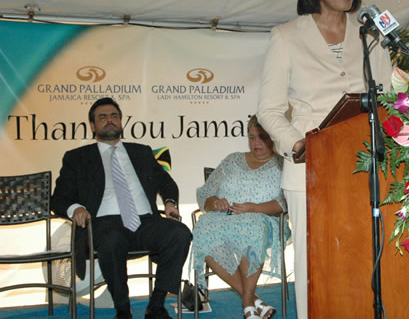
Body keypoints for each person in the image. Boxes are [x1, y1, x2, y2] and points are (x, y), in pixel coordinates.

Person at [257, 0, 393, 318]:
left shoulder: (371, 35)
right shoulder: (286, 36)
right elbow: (268, 110)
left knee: (361, 262)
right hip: (309, 170)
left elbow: (389, 96)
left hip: (365, 167)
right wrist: (296, 143)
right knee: (315, 267)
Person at [51, 97, 192, 319]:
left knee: (180, 234)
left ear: (121, 122)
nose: (110, 120)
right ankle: (123, 309)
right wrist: (76, 208)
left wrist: (170, 203)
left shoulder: (141, 152)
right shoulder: (77, 158)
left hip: (146, 221)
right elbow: (58, 199)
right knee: (111, 240)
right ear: (92, 126)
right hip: (105, 223)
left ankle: (156, 305)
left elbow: (166, 183)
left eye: (114, 116)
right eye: (103, 117)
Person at [192, 115, 289, 319]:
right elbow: (206, 192)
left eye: (262, 137)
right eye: (252, 137)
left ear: (274, 137)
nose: (256, 143)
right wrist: (214, 202)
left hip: (263, 218)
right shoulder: (232, 159)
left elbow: (284, 202)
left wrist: (254, 208)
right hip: (226, 218)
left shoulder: (283, 164)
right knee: (203, 228)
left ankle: (246, 302)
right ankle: (253, 301)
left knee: (252, 227)